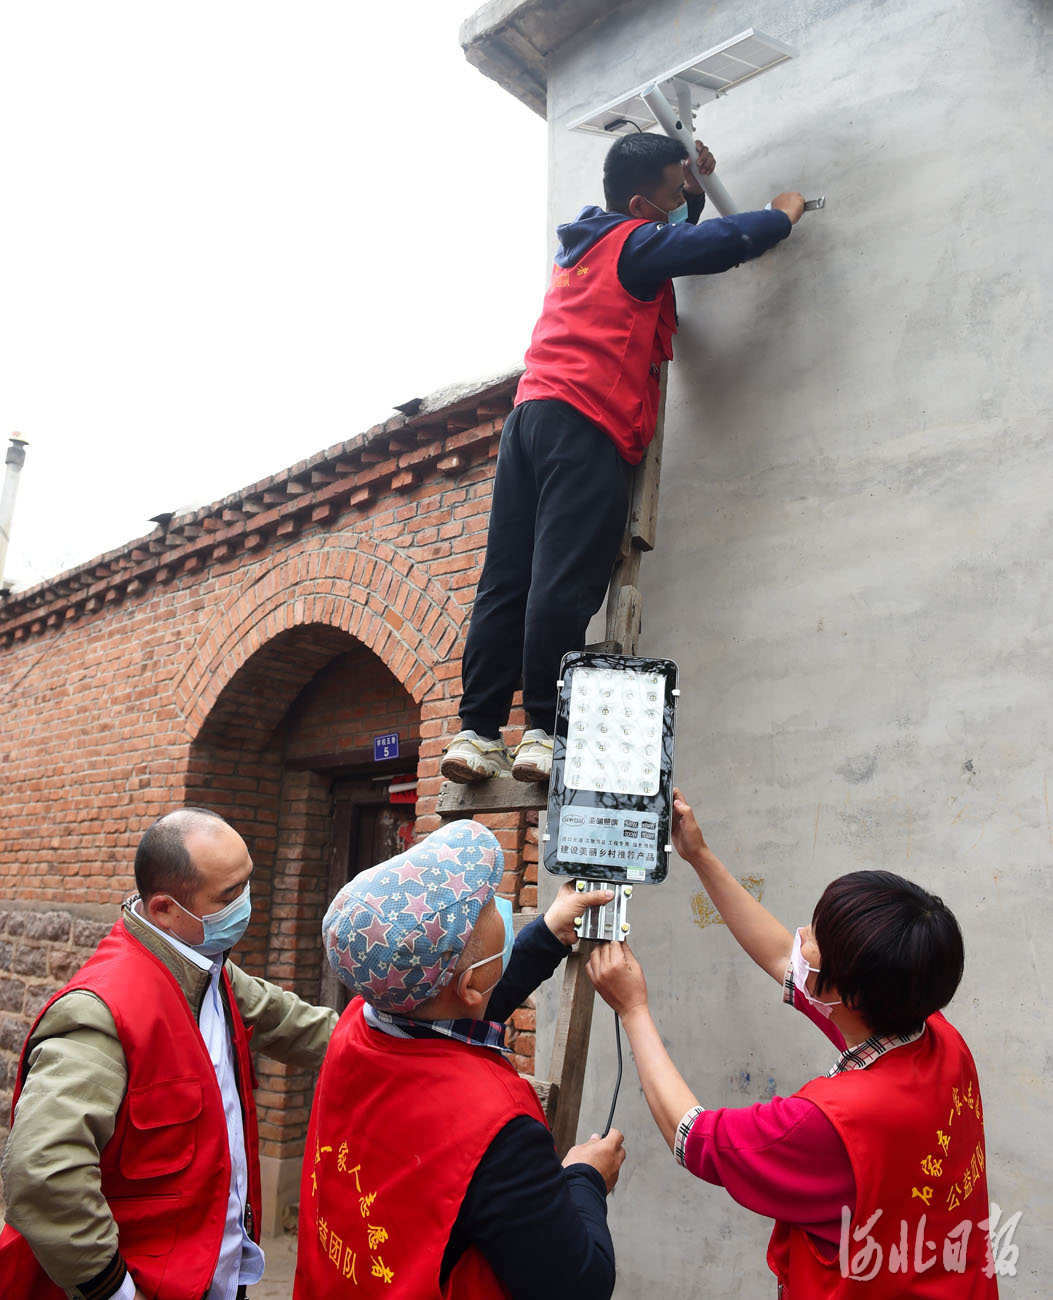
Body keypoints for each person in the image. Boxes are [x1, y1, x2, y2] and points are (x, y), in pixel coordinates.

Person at [440, 134, 805, 786]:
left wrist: (690, 195)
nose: (676, 205)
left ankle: (476, 734)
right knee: (562, 583)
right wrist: (781, 213)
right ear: (640, 203)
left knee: (507, 582)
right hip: (584, 425)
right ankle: (545, 734)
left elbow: (659, 249)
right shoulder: (636, 243)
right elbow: (715, 247)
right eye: (670, 193)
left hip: (529, 418)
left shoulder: (581, 248)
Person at [587, 789, 999, 1298]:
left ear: (847, 993)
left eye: (815, 938)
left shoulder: (831, 1122)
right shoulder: (934, 1033)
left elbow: (693, 1137)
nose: (800, 934)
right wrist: (699, 854)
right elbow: (785, 957)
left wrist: (633, 1008)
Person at [0, 807, 338, 1300]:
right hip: (150, 1282)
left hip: (216, 1267)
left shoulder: (208, 970)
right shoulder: (101, 1014)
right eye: (229, 896)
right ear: (164, 909)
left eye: (248, 883)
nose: (246, 904)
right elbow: (42, 1171)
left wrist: (387, 1038)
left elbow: (292, 1023)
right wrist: (114, 1289)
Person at [294, 817, 626, 1299]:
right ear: (467, 982)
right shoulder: (497, 1128)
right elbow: (578, 1285)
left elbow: (457, 1006)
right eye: (488, 907)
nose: (500, 908)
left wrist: (549, 933)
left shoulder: (357, 1027)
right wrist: (585, 1178)